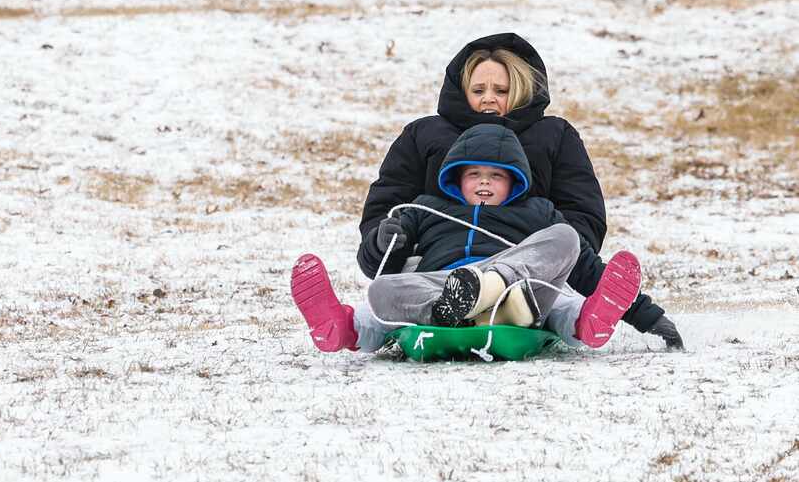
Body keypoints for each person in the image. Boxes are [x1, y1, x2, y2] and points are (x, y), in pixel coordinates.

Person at [357, 33, 683, 349]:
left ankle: (572, 316)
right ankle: (360, 327)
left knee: (564, 255)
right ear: (461, 91)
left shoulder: (552, 137)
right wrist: (386, 240)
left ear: (520, 89)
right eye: (478, 89)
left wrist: (552, 254)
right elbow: (389, 206)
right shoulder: (425, 138)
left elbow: (580, 213)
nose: (489, 98)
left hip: (526, 273)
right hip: (441, 266)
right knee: (382, 291)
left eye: (501, 89)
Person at [291, 124, 644, 354]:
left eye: (496, 176)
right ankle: (341, 328)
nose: (485, 183)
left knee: (565, 244)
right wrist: (385, 240)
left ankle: (589, 320)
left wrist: (634, 305)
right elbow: (375, 266)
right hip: (444, 285)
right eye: (474, 174)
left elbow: (574, 261)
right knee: (381, 292)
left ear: (516, 181)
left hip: (518, 288)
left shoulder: (536, 210)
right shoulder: (425, 208)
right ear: (456, 179)